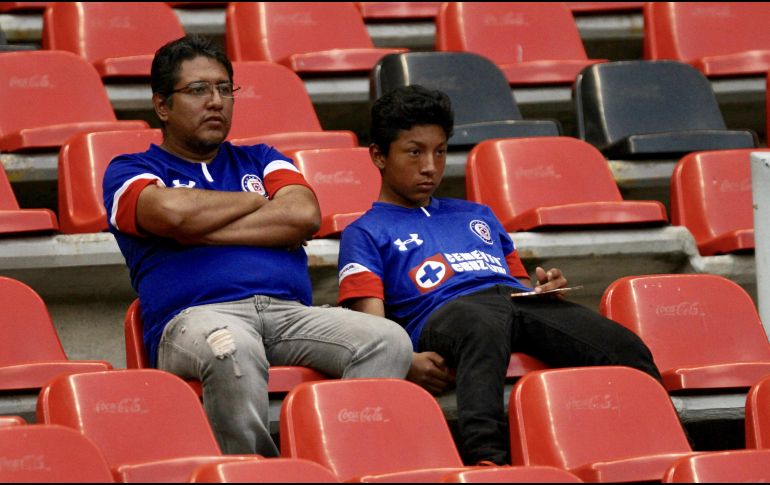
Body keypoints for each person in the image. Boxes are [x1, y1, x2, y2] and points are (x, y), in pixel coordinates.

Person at [102, 35, 412, 456]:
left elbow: (303, 215)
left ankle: (342, 464)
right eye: (198, 90)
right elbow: (172, 214)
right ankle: (255, 470)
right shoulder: (131, 169)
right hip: (196, 319)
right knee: (231, 347)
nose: (216, 101)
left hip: (288, 314)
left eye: (224, 89)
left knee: (388, 340)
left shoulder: (261, 157)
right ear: (162, 106)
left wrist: (198, 228)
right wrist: (255, 201)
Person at [337, 85, 663, 466]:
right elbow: (371, 329)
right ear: (378, 155)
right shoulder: (364, 232)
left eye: (440, 151)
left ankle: (666, 448)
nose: (430, 166)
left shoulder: (477, 214)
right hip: (443, 315)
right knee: (481, 324)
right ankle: (488, 461)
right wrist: (405, 361)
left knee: (626, 346)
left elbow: (518, 294)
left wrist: (543, 290)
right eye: (414, 152)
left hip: (511, 302)